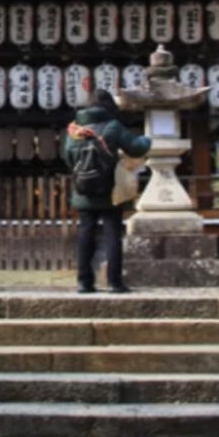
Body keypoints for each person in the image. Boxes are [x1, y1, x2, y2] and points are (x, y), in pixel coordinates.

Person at [62, 89, 151, 294]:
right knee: (112, 234)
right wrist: (148, 140)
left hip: (83, 190)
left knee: (86, 234)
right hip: (110, 189)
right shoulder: (112, 127)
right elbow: (136, 147)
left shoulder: (74, 130)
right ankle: (114, 282)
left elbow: (68, 159)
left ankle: (84, 282)